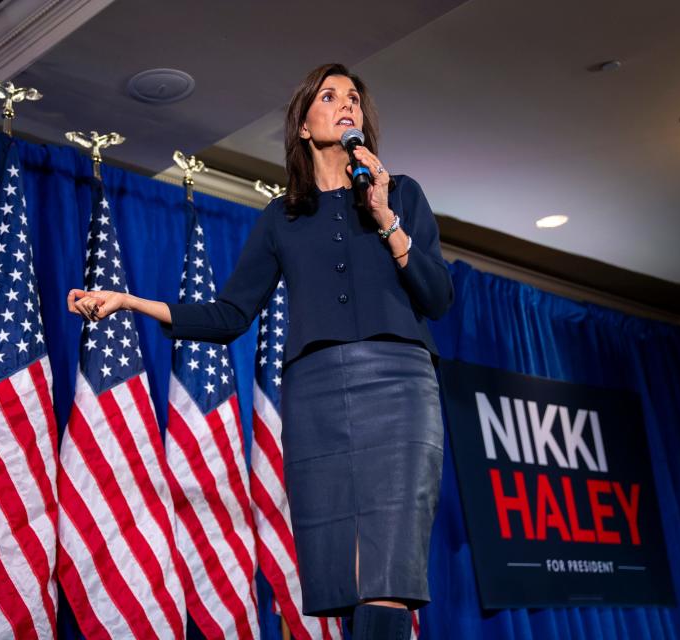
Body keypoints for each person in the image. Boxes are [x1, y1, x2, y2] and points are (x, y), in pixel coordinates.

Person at [68, 62, 453, 640]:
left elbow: (438, 296)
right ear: (303, 124)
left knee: (387, 574)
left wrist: (385, 218)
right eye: (329, 96)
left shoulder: (402, 195)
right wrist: (130, 302)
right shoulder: (282, 218)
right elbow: (229, 316)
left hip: (399, 390)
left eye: (354, 98)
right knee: (346, 583)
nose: (346, 105)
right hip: (316, 398)